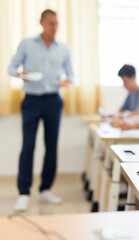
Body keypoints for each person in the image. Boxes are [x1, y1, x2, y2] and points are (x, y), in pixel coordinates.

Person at [8, 9, 73, 211]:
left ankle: (45, 190)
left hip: (53, 100)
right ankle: (24, 193)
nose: (54, 28)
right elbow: (11, 68)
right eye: (51, 24)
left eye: (57, 24)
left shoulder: (64, 49)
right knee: (28, 146)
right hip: (31, 100)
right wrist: (21, 73)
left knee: (51, 146)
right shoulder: (27, 44)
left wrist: (66, 82)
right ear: (42, 23)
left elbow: (72, 76)